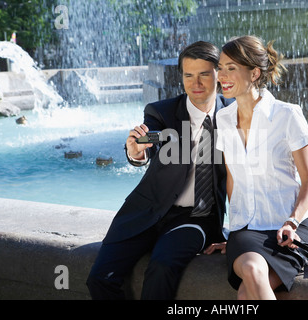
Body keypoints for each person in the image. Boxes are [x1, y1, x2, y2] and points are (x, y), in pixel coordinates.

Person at [86, 41, 233, 300]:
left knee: (162, 267)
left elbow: (246, 180)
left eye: (204, 74)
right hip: (146, 212)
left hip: (195, 218)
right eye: (188, 75)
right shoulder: (161, 112)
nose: (195, 83)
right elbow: (151, 141)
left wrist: (241, 234)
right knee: (100, 278)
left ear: (218, 75)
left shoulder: (233, 116)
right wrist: (136, 151)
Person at [214, 35, 308, 300]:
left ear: (255, 72)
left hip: (288, 229)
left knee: (246, 294)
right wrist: (233, 227)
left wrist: (293, 221)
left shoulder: (287, 115)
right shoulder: (223, 119)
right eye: (220, 67)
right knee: (251, 267)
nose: (221, 76)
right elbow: (232, 181)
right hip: (246, 231)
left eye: (230, 68)